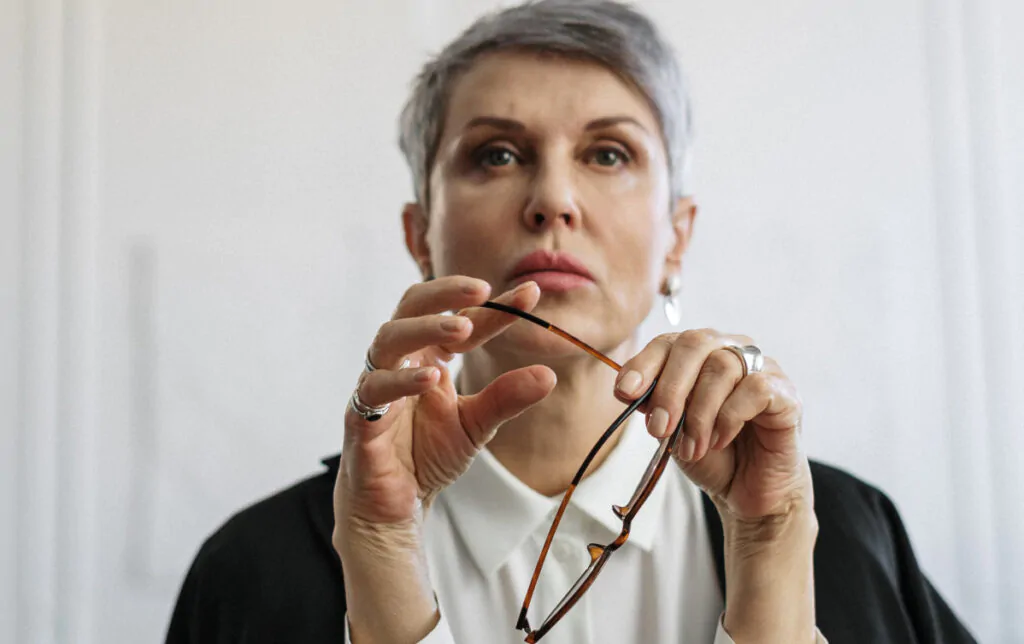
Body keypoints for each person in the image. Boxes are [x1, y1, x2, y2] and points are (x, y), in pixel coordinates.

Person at [166, 1, 977, 643]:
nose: (553, 199)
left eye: (609, 154)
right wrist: (379, 559)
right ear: (421, 236)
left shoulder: (843, 536)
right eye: (496, 154)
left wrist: (770, 550)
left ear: (678, 237)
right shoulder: (251, 572)